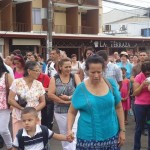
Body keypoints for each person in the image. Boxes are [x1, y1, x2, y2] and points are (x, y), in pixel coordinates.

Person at [67, 55, 125, 149]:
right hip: (87, 138)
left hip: (111, 134)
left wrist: (122, 131)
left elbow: (118, 107)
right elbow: (72, 112)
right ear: (87, 71)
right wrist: (69, 129)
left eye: (99, 72)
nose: (96, 75)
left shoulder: (111, 84)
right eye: (92, 72)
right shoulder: (81, 88)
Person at [48, 58, 81, 150]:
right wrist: (64, 101)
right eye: (66, 67)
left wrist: (69, 98)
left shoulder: (75, 77)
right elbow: (50, 94)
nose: (68, 69)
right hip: (60, 111)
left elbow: (81, 91)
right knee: (64, 133)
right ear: (60, 67)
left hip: (74, 110)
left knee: (73, 131)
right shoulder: (54, 78)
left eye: (70, 66)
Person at [8, 61, 46, 139]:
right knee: (19, 139)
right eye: (36, 70)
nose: (39, 72)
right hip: (20, 116)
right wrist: (22, 108)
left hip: (35, 117)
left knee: (34, 140)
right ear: (29, 71)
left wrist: (33, 111)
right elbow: (10, 99)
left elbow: (43, 102)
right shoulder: (17, 82)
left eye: (39, 70)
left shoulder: (39, 84)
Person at [133, 60, 150, 150]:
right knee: (139, 127)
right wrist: (142, 84)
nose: (147, 75)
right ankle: (136, 147)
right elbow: (135, 93)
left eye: (149, 73)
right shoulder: (139, 77)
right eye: (146, 73)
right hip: (140, 106)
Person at [0, 56, 13, 150]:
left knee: (3, 130)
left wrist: (12, 102)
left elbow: (13, 90)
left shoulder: (6, 75)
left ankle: (10, 146)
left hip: (4, 106)